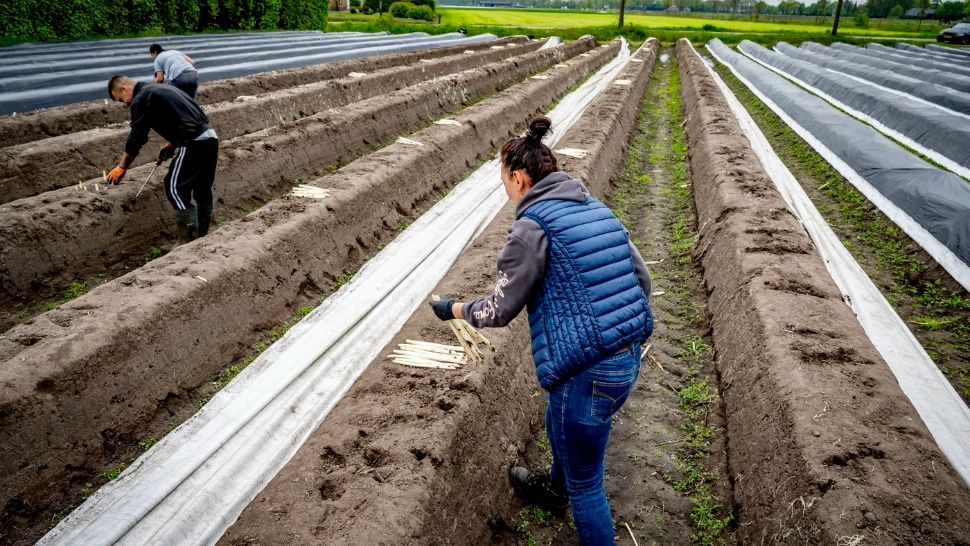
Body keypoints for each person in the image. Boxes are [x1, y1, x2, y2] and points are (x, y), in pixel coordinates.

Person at [428, 116, 654, 545]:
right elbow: (643, 281)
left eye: (504, 182)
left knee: (588, 485)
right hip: (625, 358)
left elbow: (500, 308)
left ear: (518, 178)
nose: (506, 192)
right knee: (558, 420)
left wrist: (454, 309)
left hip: (588, 370)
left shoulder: (531, 228)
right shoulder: (597, 209)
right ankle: (554, 487)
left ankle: (570, 492)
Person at [105, 75, 219, 243]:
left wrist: (122, 167)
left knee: (175, 188)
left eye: (121, 100)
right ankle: (202, 237)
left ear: (124, 89)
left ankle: (189, 241)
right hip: (210, 138)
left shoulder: (141, 98)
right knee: (202, 188)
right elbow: (187, 116)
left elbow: (137, 137)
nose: (125, 104)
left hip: (194, 142)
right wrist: (173, 144)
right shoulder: (161, 89)